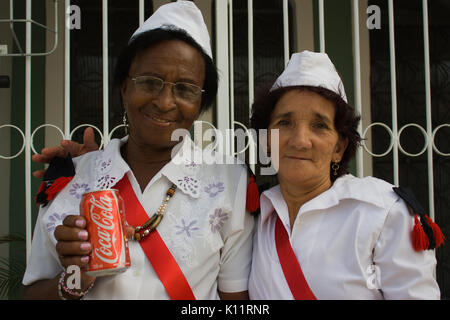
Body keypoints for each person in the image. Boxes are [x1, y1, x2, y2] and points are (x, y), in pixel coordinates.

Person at [22, 1, 254, 300]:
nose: (165, 102)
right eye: (149, 82)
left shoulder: (230, 183)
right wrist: (74, 279)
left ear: (200, 104)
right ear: (124, 89)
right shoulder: (71, 178)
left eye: (185, 89)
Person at [248, 51, 443, 299]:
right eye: (285, 122)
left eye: (319, 125)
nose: (299, 141)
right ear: (267, 140)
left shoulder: (383, 213)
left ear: (339, 148)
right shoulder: (256, 214)